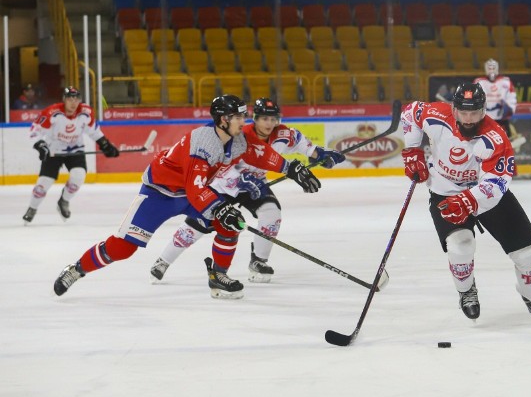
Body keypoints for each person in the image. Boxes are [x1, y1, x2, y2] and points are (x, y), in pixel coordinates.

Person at [52, 95, 321, 300]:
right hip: (160, 194)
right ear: (223, 120)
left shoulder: (236, 139)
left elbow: (259, 154)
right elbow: (195, 187)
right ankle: (77, 269)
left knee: (229, 223)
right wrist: (219, 206)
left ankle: (219, 277)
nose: (244, 121)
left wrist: (291, 168)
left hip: (193, 193)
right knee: (123, 248)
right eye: (238, 117)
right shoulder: (203, 141)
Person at [400, 83, 531, 324]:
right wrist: (412, 151)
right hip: (445, 192)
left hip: (485, 195)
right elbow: (410, 111)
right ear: (453, 109)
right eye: (463, 112)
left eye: (474, 112)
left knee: (527, 253)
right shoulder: (436, 115)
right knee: (460, 245)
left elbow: (497, 183)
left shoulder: (495, 137)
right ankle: (466, 291)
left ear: (484, 110)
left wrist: (468, 200)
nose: (468, 119)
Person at [150, 98, 345, 284]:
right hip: (223, 183)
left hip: (255, 184)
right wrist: (238, 179)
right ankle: (164, 260)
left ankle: (258, 261)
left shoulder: (285, 134)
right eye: (264, 119)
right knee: (199, 223)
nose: (269, 123)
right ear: (255, 118)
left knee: (271, 212)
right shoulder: (240, 134)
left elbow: (306, 146)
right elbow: (222, 163)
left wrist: (323, 155)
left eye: (273, 119)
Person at [22, 86, 120, 225]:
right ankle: (32, 208)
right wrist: (40, 146)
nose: (73, 102)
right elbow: (34, 131)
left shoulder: (85, 112)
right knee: (43, 184)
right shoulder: (52, 112)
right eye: (70, 98)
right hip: (53, 151)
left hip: (75, 149)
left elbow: (94, 131)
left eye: (76, 99)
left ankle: (64, 200)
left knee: (79, 176)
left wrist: (105, 145)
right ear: (64, 100)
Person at [473, 59, 517, 139]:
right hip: (484, 119)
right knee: (484, 139)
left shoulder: (506, 81)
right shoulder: (479, 82)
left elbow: (512, 97)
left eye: (493, 68)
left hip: (501, 118)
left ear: (497, 69)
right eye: (489, 68)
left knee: (505, 139)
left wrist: (509, 109)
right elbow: (474, 98)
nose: (491, 71)